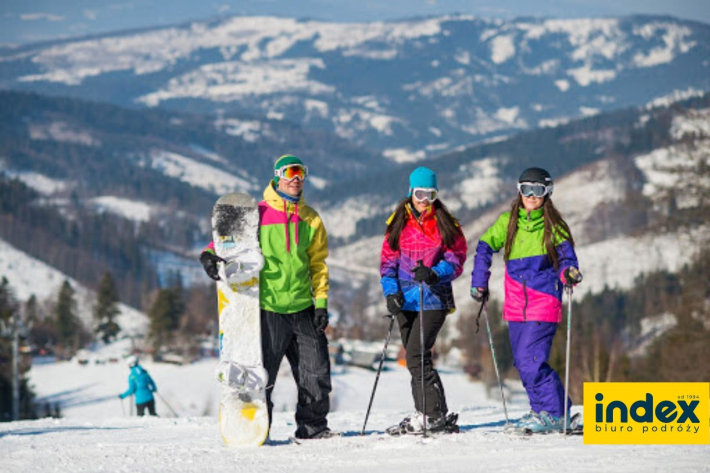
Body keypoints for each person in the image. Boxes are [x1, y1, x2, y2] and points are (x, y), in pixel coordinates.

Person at [200, 154, 337, 440]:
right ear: (277, 176)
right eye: (290, 173)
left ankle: (313, 429)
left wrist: (321, 303)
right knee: (264, 379)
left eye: (301, 173)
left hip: (303, 308)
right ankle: (255, 430)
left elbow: (318, 265)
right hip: (267, 310)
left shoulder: (310, 218)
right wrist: (209, 254)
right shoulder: (257, 214)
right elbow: (228, 242)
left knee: (316, 374)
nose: (296, 179)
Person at [470, 167, 582, 434]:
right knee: (523, 362)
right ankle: (550, 412)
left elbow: (567, 258)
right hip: (515, 304)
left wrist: (568, 272)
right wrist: (479, 281)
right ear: (519, 191)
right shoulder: (508, 222)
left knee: (531, 359)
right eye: (526, 190)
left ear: (548, 193)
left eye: (538, 190)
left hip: (543, 301)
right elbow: (484, 247)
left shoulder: (554, 226)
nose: (531, 196)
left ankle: (553, 414)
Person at [380, 167, 467, 435]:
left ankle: (434, 415)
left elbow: (457, 260)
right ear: (410, 192)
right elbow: (387, 263)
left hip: (434, 298)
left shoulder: (446, 223)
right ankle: (427, 413)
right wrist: (391, 293)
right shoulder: (397, 222)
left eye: (430, 194)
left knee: (417, 355)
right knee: (414, 358)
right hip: (405, 300)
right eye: (419, 193)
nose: (424, 199)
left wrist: (434, 273)